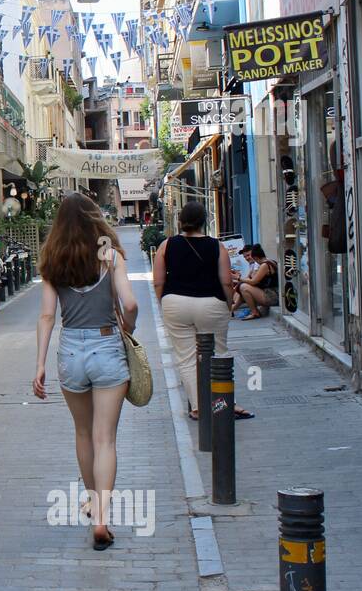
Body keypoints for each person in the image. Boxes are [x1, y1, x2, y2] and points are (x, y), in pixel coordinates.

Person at [33, 193, 137, 551]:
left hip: (70, 352)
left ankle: (92, 500)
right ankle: (103, 519)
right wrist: (129, 327)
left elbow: (47, 315)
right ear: (95, 220)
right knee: (105, 438)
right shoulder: (112, 257)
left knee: (82, 433)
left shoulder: (52, 260)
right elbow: (132, 303)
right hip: (107, 346)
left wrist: (40, 364)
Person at [153, 202, 253, 420]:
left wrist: (165, 303)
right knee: (219, 353)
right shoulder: (217, 246)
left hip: (175, 303)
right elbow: (226, 282)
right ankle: (226, 404)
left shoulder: (166, 245)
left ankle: (199, 407)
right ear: (204, 221)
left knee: (186, 358)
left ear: (180, 221)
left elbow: (158, 282)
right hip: (211, 303)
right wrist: (228, 306)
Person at [234, 244, 279, 320]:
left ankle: (255, 312)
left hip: (272, 296)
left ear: (255, 258)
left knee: (244, 287)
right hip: (274, 294)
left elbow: (253, 281)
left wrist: (238, 278)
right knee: (242, 285)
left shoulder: (264, 265)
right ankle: (237, 308)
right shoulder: (270, 261)